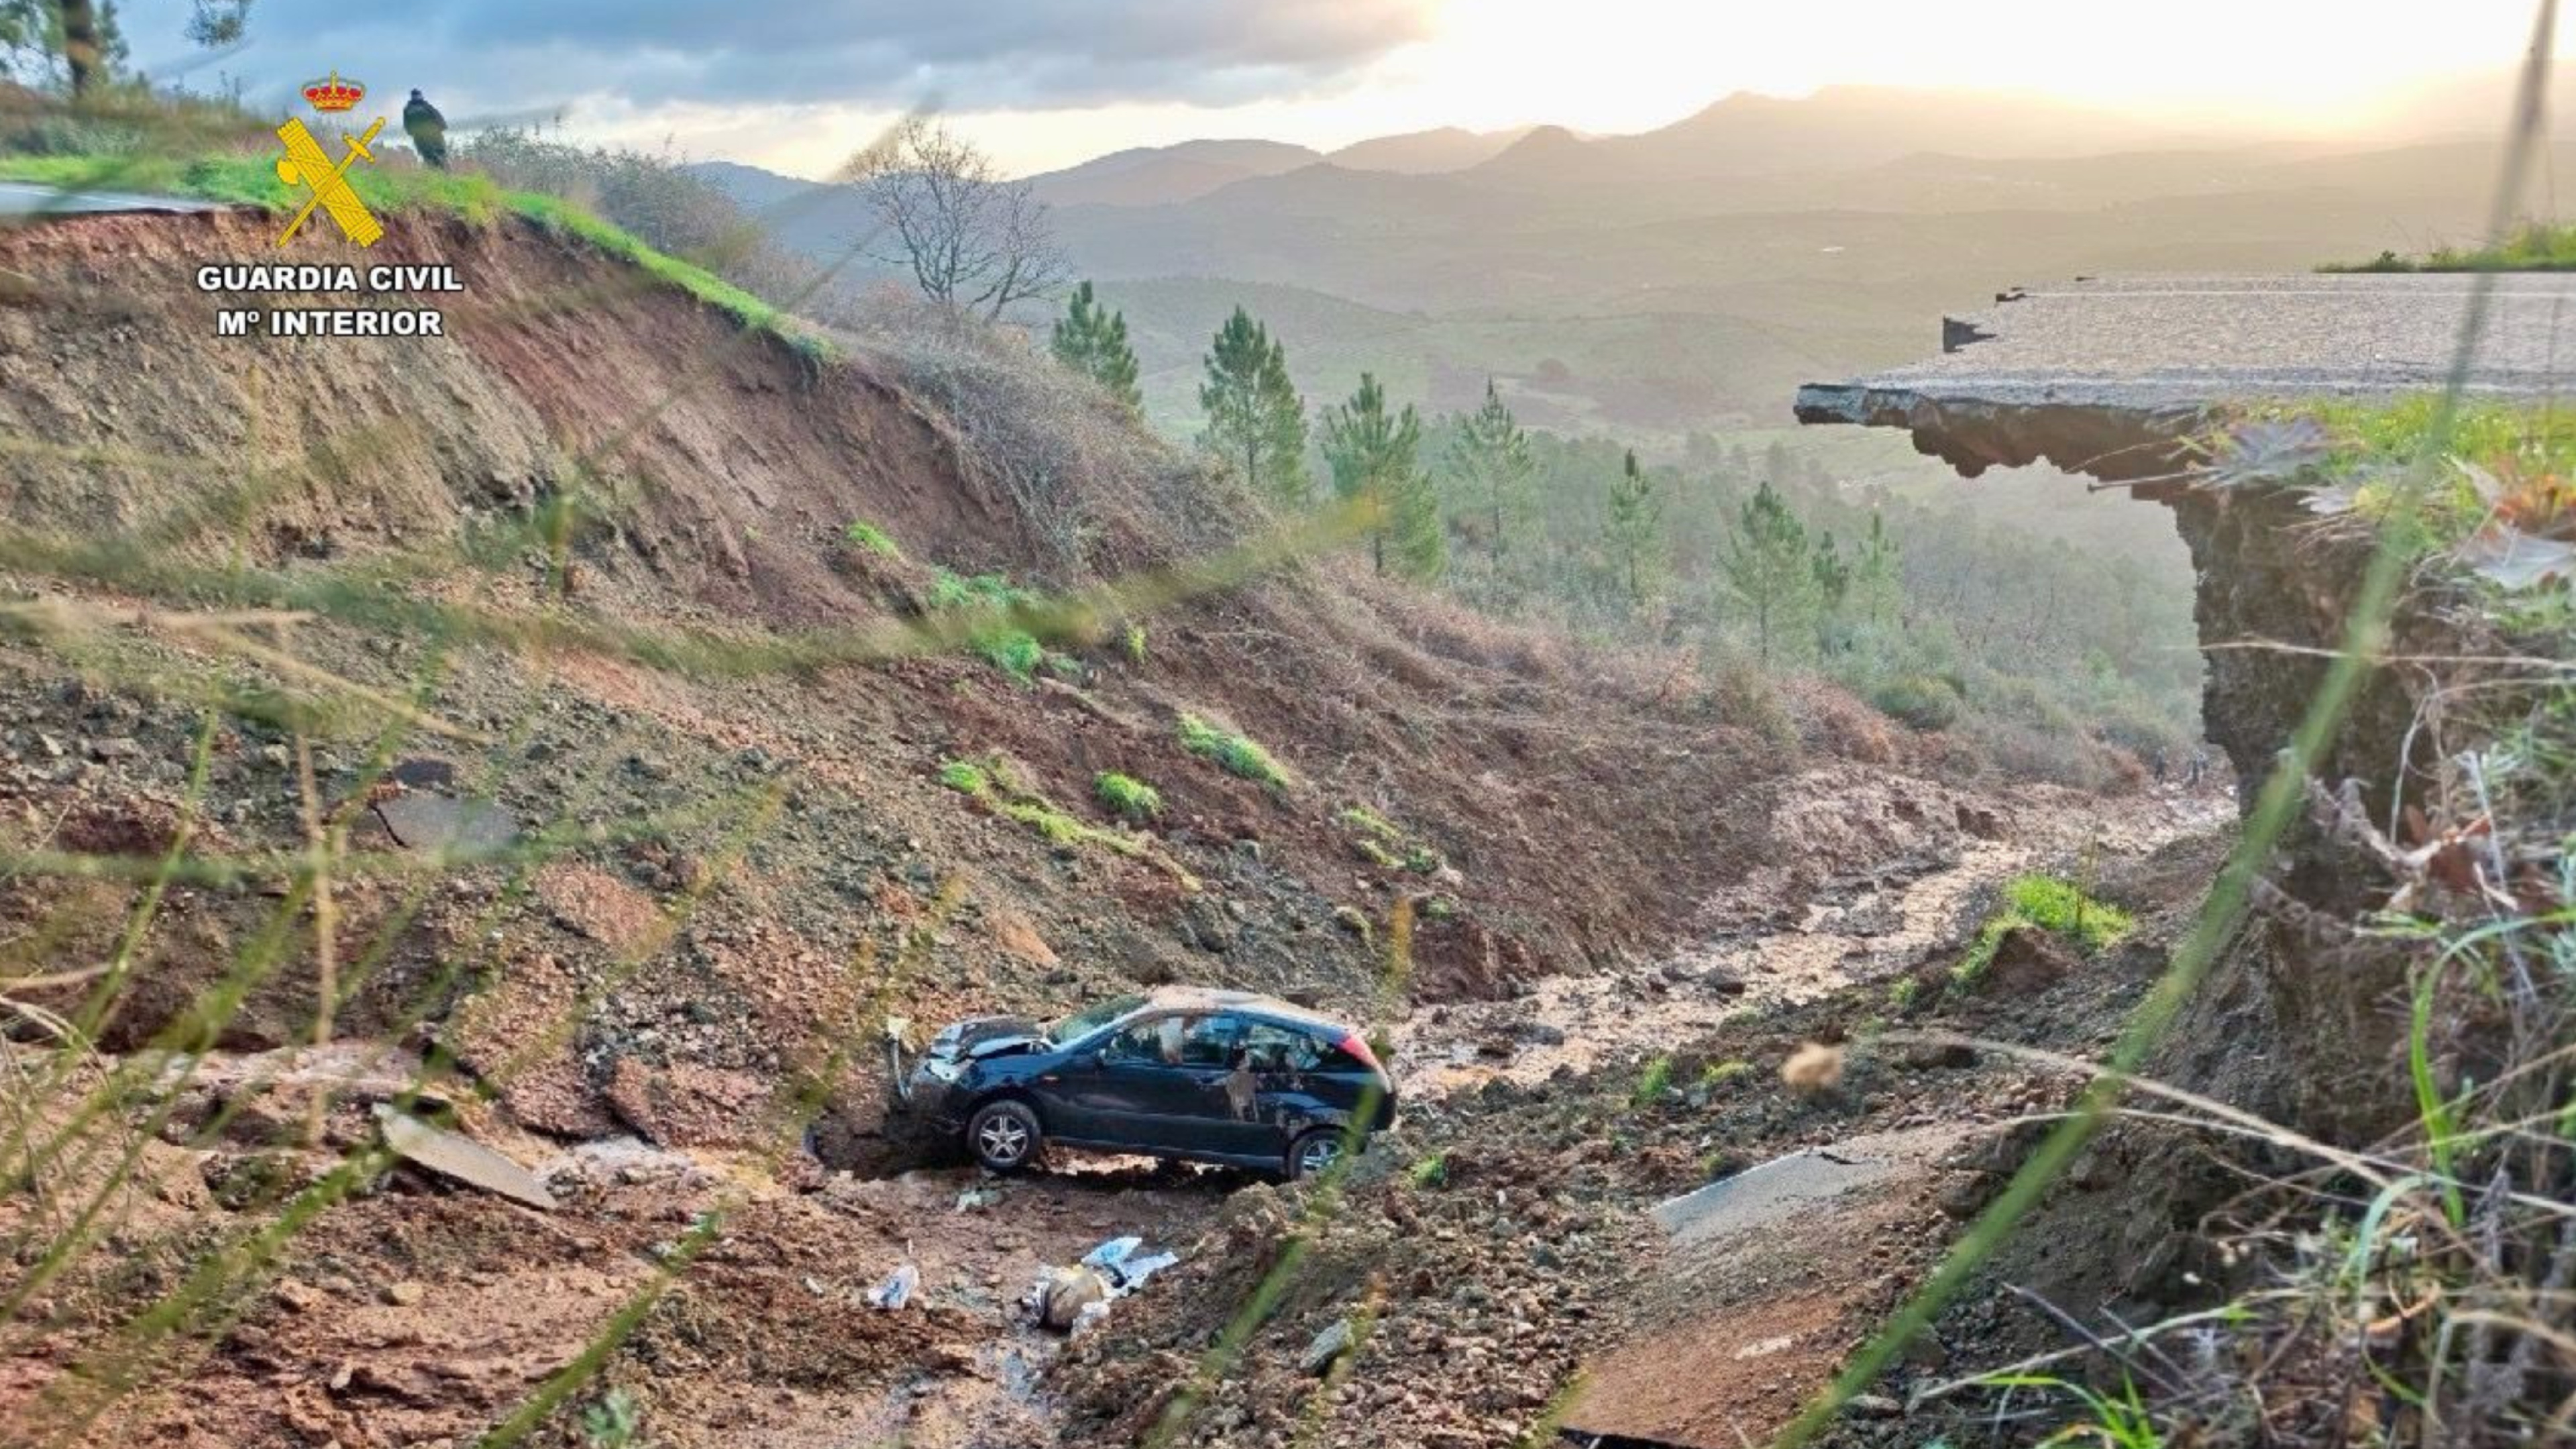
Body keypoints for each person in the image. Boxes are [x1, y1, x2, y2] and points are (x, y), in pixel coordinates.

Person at [403, 89, 448, 169]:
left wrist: (412, 133)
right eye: (418, 95)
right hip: (432, 134)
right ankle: (443, 171)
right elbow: (438, 118)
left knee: (428, 155)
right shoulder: (426, 106)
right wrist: (441, 128)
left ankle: (437, 171)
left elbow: (407, 126)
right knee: (439, 153)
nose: (418, 97)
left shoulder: (408, 109)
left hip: (421, 136)